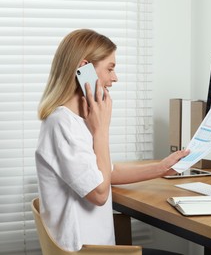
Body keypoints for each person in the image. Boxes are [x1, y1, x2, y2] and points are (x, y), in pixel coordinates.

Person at [35, 29, 189, 253]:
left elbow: (104, 172)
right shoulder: (62, 124)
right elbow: (99, 193)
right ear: (83, 68)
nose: (114, 78)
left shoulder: (78, 120)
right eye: (110, 68)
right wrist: (101, 130)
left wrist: (161, 168)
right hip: (87, 251)